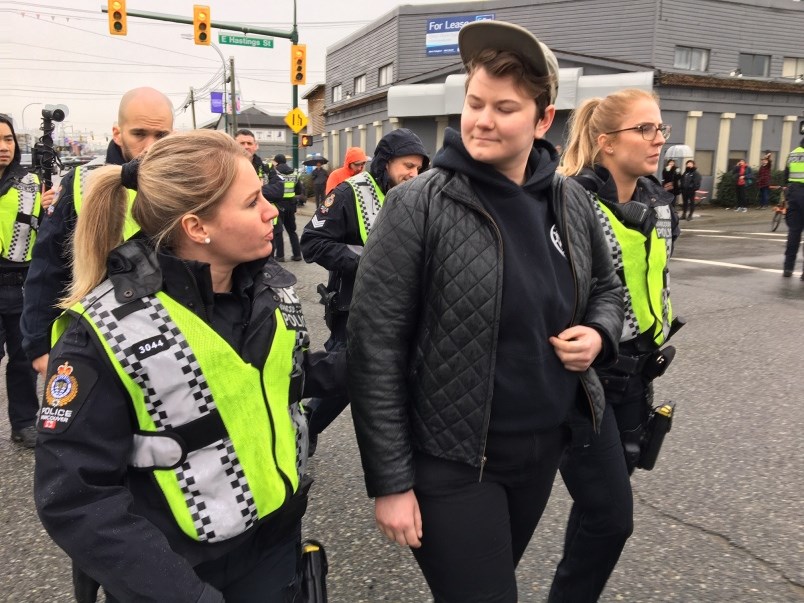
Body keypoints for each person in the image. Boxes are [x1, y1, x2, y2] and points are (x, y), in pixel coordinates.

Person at [346, 21, 624, 603]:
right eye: (474, 103)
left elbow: (608, 286)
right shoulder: (417, 205)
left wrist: (599, 333)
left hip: (541, 448)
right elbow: (374, 347)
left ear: (543, 120)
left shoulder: (569, 198)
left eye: (505, 107)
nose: (482, 120)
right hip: (451, 461)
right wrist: (391, 481)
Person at [34, 129, 344, 602]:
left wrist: (384, 354)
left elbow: (286, 381)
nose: (270, 212)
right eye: (251, 201)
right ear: (197, 227)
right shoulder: (102, 332)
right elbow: (76, 497)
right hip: (180, 575)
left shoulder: (266, 291)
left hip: (273, 545)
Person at [549, 88, 681, 602]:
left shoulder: (654, 202)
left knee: (595, 512)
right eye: (644, 130)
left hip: (635, 378)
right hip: (586, 382)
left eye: (660, 129)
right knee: (610, 519)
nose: (658, 140)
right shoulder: (572, 202)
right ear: (606, 142)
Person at [21, 87, 174, 379]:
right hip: (94, 339)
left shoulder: (189, 184)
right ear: (118, 133)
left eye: (161, 136)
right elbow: (48, 266)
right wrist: (39, 345)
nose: (151, 146)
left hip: (171, 341)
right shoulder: (80, 183)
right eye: (139, 134)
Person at [299, 128, 428, 444]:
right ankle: (300, 429)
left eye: (418, 168)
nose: (413, 174)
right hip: (353, 309)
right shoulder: (349, 193)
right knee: (343, 378)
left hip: (399, 310)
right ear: (386, 163)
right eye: (406, 166)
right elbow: (311, 242)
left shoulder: (419, 196)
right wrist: (368, 260)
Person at [0, 113, 54, 448]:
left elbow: (44, 231)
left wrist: (48, 208)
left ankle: (23, 423)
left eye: (8, 140)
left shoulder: (32, 182)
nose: (3, 147)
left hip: (20, 282)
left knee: (22, 359)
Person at [270, 154, 304, 262]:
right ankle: (297, 254)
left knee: (278, 231)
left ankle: (280, 256)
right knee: (292, 231)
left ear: (277, 162)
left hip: (278, 205)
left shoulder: (275, 172)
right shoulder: (294, 173)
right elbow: (299, 191)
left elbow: (271, 189)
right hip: (291, 205)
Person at [233, 128, 283, 202]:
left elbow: (279, 190)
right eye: (242, 143)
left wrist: (248, 191)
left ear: (256, 146)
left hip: (262, 212)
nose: (246, 147)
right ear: (233, 146)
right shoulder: (226, 168)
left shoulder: (267, 167)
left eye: (249, 143)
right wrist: (259, 189)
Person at [782, 136, 804, 279]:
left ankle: (788, 268)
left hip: (794, 193)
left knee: (794, 232)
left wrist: (787, 195)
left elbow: (785, 176)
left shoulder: (793, 153)